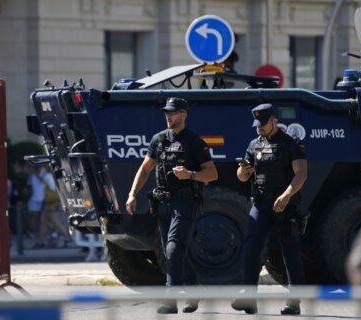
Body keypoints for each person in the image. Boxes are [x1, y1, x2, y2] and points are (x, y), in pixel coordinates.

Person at [126, 97, 218, 314]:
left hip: (186, 201)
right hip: (163, 202)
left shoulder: (194, 142)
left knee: (174, 248)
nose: (168, 116)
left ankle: (170, 299)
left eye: (173, 112)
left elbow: (212, 174)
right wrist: (132, 194)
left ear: (183, 115)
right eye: (166, 112)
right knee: (172, 253)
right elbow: (145, 168)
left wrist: (190, 175)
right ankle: (194, 290)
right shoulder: (158, 140)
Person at [234, 103, 307, 315]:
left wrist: (286, 195)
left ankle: (294, 302)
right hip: (260, 203)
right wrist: (243, 171)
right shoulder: (254, 144)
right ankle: (249, 297)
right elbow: (242, 176)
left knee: (290, 251)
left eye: (263, 124)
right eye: (256, 124)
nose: (259, 128)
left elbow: (301, 174)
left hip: (285, 204)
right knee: (251, 247)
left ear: (274, 120)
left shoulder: (291, 143)